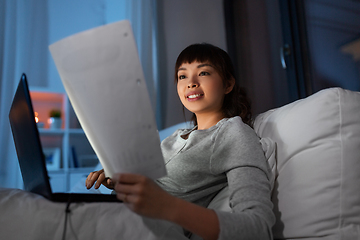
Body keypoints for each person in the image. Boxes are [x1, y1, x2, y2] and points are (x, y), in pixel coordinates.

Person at [86, 43, 275, 240]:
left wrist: (166, 205)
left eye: (204, 73)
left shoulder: (234, 133)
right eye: (182, 76)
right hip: (114, 215)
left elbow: (258, 227)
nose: (190, 83)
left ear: (228, 84)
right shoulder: (174, 137)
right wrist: (121, 183)